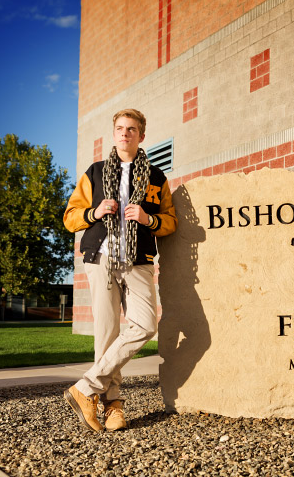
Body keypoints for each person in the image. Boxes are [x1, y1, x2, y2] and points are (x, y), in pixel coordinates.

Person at [62, 108, 177, 431]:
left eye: (131, 129)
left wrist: (148, 219)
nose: (124, 133)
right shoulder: (95, 172)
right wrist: (94, 212)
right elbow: (70, 217)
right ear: (114, 134)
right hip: (100, 259)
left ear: (142, 135)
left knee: (144, 324)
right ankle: (113, 407)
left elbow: (170, 222)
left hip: (138, 260)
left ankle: (84, 388)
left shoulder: (156, 177)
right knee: (107, 335)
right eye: (119, 128)